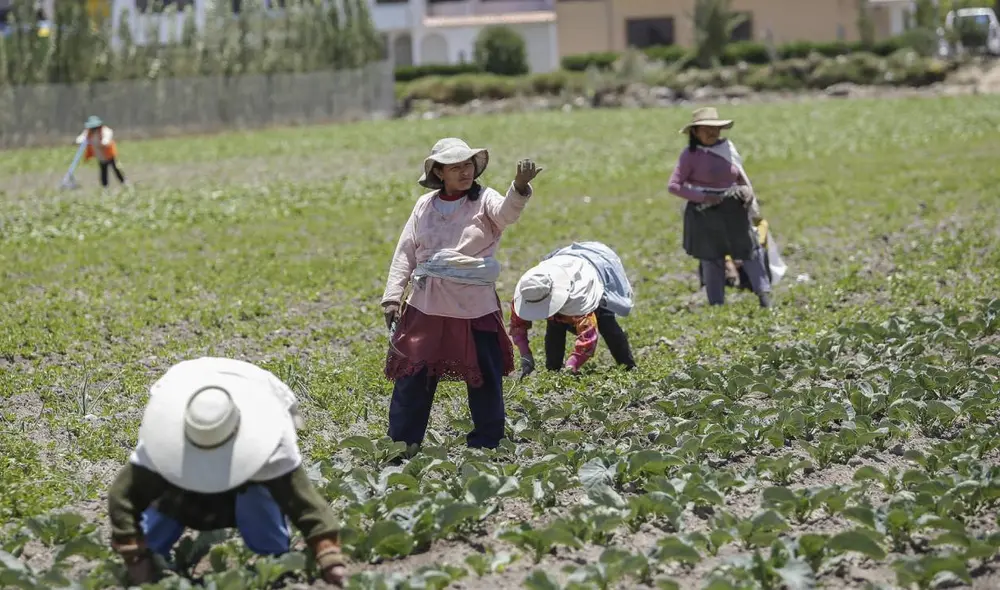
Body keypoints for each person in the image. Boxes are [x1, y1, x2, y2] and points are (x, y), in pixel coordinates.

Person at [106, 357, 346, 587]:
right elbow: (122, 495)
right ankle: (153, 551)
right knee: (160, 508)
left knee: (260, 499)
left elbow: (303, 502)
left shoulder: (271, 442)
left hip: (248, 481)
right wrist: (135, 555)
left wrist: (329, 557)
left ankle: (274, 562)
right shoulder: (162, 440)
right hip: (181, 490)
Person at [381, 137, 541, 451]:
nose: (464, 172)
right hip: (427, 305)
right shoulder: (424, 206)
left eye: (467, 164)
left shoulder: (485, 200)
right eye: (455, 167)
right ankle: (401, 445)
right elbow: (406, 251)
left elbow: (507, 214)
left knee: (484, 377)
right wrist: (392, 295)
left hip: (474, 306)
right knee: (413, 378)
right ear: (439, 173)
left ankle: (486, 443)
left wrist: (519, 187)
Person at [668, 107, 772, 308]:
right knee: (711, 257)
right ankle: (716, 304)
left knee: (750, 251)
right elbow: (674, 186)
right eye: (706, 129)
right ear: (695, 132)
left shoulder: (727, 148)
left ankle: (764, 297)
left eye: (715, 128)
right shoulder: (689, 155)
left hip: (733, 208)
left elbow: (739, 175)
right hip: (704, 213)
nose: (712, 133)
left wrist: (746, 190)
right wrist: (703, 197)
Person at [509, 241, 636, 377]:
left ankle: (628, 366)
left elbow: (588, 338)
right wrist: (525, 355)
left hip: (595, 268)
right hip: (561, 264)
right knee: (555, 325)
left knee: (607, 325)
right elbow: (518, 326)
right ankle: (553, 370)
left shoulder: (582, 298)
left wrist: (572, 364)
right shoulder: (530, 291)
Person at [700, 217, 787, 292]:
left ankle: (760, 289)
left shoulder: (758, 223)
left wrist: (741, 256)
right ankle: (710, 285)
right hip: (730, 264)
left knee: (757, 255)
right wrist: (729, 261)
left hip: (749, 262)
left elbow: (758, 242)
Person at [75, 115, 127, 189]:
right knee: (103, 171)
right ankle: (105, 187)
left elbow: (107, 138)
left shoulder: (104, 130)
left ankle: (124, 182)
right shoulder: (88, 132)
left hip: (109, 154)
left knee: (116, 168)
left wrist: (104, 142)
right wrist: (80, 141)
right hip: (100, 155)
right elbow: (81, 138)